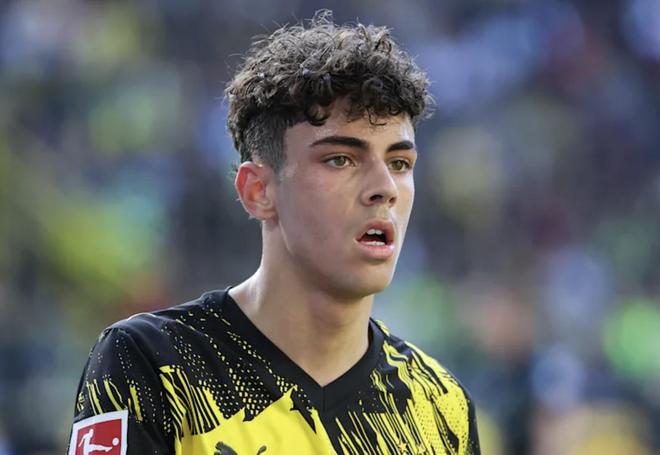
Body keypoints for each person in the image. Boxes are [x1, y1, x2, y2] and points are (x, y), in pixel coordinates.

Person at [68, 10, 480, 454]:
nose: (385, 188)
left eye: (399, 163)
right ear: (258, 191)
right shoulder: (154, 363)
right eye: (341, 159)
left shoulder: (440, 407)